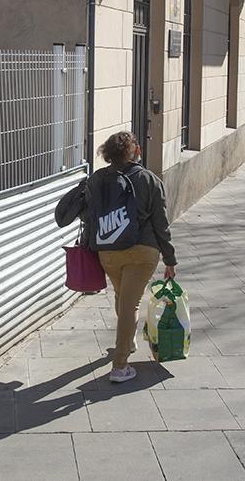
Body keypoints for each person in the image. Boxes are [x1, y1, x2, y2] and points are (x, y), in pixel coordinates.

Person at [55, 131, 176, 383]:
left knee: (123, 297)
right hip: (143, 252)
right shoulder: (149, 180)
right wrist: (170, 259)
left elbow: (87, 214)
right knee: (129, 303)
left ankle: (128, 340)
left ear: (108, 154)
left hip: (108, 252)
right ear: (137, 152)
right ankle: (120, 366)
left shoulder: (97, 179)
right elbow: (161, 224)